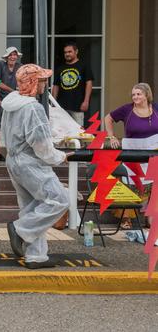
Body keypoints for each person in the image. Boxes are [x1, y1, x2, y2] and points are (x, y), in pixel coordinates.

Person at [1, 64, 71, 269]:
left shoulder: (11, 105)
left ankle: (36, 256)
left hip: (14, 160)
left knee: (31, 207)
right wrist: (61, 157)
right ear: (32, 82)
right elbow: (41, 145)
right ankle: (20, 229)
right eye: (41, 80)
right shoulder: (33, 107)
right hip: (31, 162)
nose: (45, 84)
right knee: (60, 199)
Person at [104, 83, 158, 229]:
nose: (135, 97)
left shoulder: (156, 108)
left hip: (153, 152)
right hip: (132, 152)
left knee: (153, 185)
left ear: (147, 95)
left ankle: (151, 217)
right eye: (133, 94)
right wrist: (111, 136)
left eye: (138, 94)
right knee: (130, 183)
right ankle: (126, 218)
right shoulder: (127, 109)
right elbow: (108, 118)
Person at [0, 47, 22, 161]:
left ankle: (12, 151)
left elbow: (20, 82)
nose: (12, 57)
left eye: (15, 55)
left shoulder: (19, 66)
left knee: (12, 126)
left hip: (12, 98)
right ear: (6, 56)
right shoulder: (0, 64)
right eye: (10, 55)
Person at [51, 42, 94, 126]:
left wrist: (86, 101)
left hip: (78, 105)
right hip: (62, 106)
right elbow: (56, 86)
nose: (67, 54)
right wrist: (53, 102)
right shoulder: (60, 68)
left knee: (78, 130)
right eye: (65, 52)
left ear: (76, 52)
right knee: (64, 130)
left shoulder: (84, 65)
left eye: (69, 52)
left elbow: (89, 83)